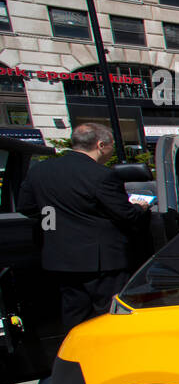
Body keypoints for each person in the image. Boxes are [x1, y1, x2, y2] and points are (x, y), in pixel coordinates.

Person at [17, 122, 151, 330]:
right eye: (112, 145)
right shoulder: (102, 175)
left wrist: (54, 221)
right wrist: (141, 208)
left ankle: (77, 356)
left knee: (74, 315)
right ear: (101, 145)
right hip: (103, 262)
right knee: (110, 315)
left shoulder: (40, 171)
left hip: (60, 259)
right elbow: (125, 215)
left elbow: (27, 207)